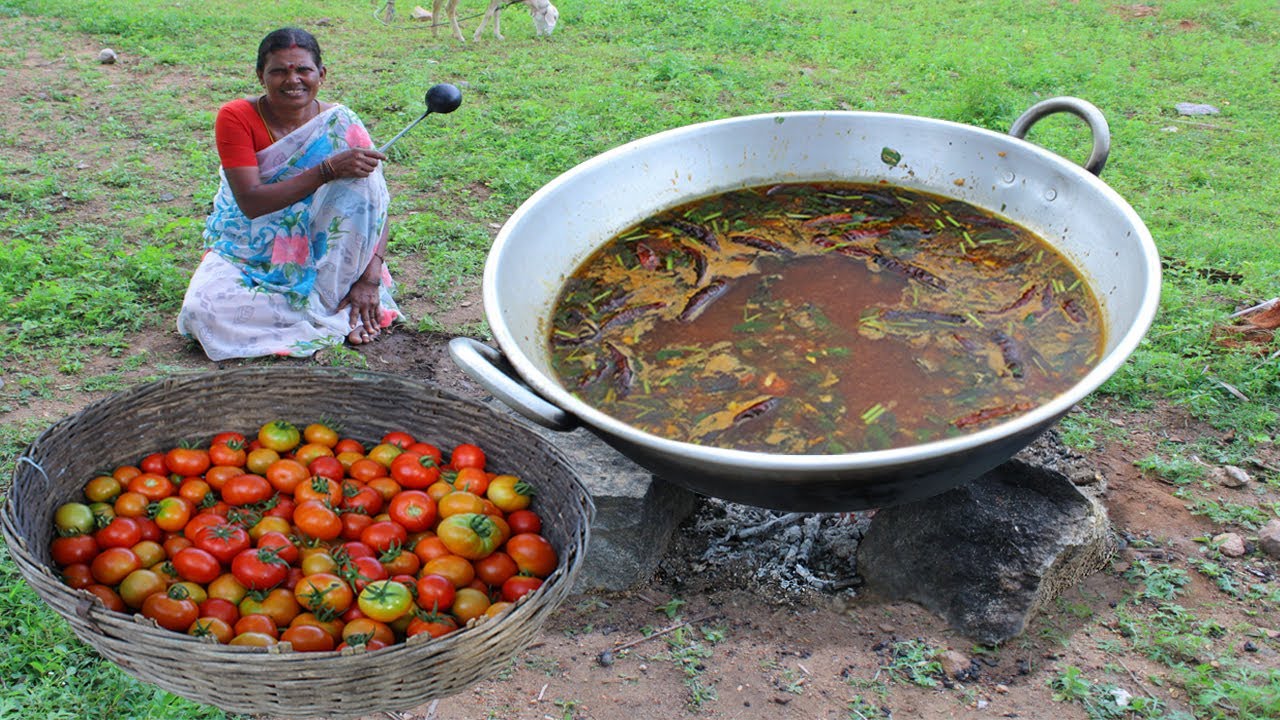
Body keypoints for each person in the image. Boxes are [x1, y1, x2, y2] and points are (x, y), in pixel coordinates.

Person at [178, 27, 400, 360]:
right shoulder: (236, 116)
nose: (292, 80)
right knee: (202, 312)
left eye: (303, 70)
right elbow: (251, 203)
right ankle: (333, 315)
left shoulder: (339, 122)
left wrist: (370, 279)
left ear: (321, 75)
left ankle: (340, 300)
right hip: (251, 247)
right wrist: (326, 171)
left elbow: (376, 206)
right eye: (279, 71)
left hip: (325, 257)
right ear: (260, 76)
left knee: (363, 180)